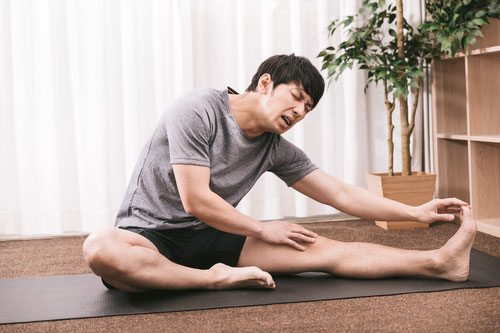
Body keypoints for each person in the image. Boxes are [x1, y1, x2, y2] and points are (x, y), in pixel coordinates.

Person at [82, 54, 476, 292]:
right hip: (148, 238)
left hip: (214, 237)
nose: (300, 112)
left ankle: (438, 263)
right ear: (266, 83)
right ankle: (213, 279)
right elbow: (195, 199)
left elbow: (338, 193)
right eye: (297, 98)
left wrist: (414, 212)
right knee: (100, 249)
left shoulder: (274, 147)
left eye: (308, 109)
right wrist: (260, 228)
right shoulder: (198, 109)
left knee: (325, 250)